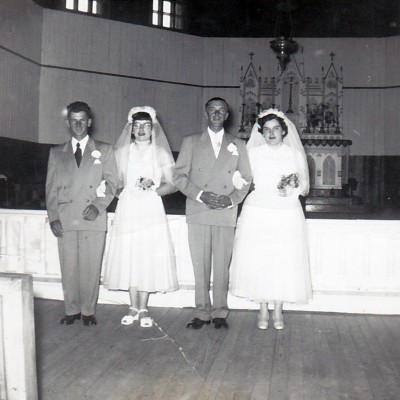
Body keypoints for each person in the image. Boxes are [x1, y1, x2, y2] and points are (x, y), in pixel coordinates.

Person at [229, 109, 312, 330]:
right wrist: (237, 180)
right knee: (261, 258)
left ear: (284, 130)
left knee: (282, 258)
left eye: (276, 129)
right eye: (266, 130)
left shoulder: (293, 153)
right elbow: (241, 177)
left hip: (286, 210)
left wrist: (292, 190)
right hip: (258, 210)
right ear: (261, 133)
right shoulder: (253, 153)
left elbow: (304, 185)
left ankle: (278, 309)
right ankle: (263, 308)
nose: (271, 133)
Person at [173, 97, 252, 329]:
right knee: (201, 265)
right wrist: (200, 195)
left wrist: (231, 200)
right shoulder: (190, 142)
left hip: (225, 211)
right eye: (212, 110)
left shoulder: (238, 144)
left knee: (221, 265)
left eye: (221, 111)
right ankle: (202, 312)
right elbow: (179, 176)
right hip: (199, 210)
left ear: (228, 116)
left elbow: (246, 178)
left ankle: (219, 313)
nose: (217, 114)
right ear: (206, 114)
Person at [102, 106, 178, 328]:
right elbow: (113, 181)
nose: (141, 129)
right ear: (131, 129)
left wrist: (152, 188)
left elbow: (172, 183)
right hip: (128, 207)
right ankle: (132, 306)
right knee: (130, 253)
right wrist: (126, 192)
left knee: (147, 254)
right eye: (137, 126)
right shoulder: (122, 152)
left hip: (151, 207)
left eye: (146, 126)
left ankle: (143, 307)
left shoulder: (161, 153)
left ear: (153, 128)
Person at [46, 101, 119, 326]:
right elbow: (51, 188)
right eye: (73, 120)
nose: (78, 125)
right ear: (68, 123)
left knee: (90, 266)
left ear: (89, 122)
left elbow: (111, 183)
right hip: (66, 217)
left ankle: (88, 311)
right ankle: (71, 310)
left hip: (92, 216)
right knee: (68, 266)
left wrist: (98, 205)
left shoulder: (104, 150)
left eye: (82, 120)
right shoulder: (57, 152)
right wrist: (53, 217)